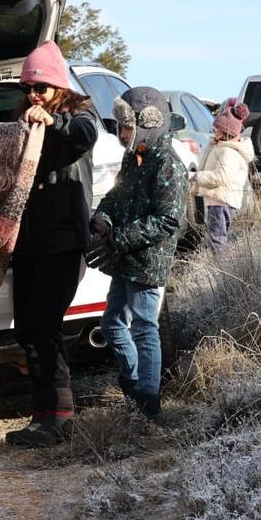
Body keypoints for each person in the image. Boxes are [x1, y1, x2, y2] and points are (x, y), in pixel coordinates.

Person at [3, 41, 99, 448]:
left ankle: (58, 417)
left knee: (45, 326)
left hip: (62, 241)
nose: (33, 96)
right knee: (27, 327)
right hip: (28, 242)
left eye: (40, 88)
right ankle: (43, 415)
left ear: (58, 87)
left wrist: (52, 121)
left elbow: (85, 134)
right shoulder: (24, 121)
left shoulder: (78, 116)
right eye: (28, 89)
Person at [87, 86, 189, 420]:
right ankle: (133, 389)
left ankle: (149, 402)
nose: (122, 134)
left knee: (144, 326)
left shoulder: (168, 164)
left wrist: (121, 237)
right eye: (120, 127)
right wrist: (102, 217)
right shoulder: (134, 157)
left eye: (128, 127)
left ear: (149, 123)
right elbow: (117, 196)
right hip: (126, 256)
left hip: (148, 259)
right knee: (113, 323)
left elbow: (168, 220)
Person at [190, 99, 254, 253]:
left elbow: (220, 177)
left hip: (220, 201)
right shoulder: (224, 147)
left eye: (217, 130)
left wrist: (195, 176)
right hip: (220, 199)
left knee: (217, 239)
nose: (214, 133)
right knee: (218, 236)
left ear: (226, 133)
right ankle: (220, 265)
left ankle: (220, 269)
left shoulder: (228, 152)